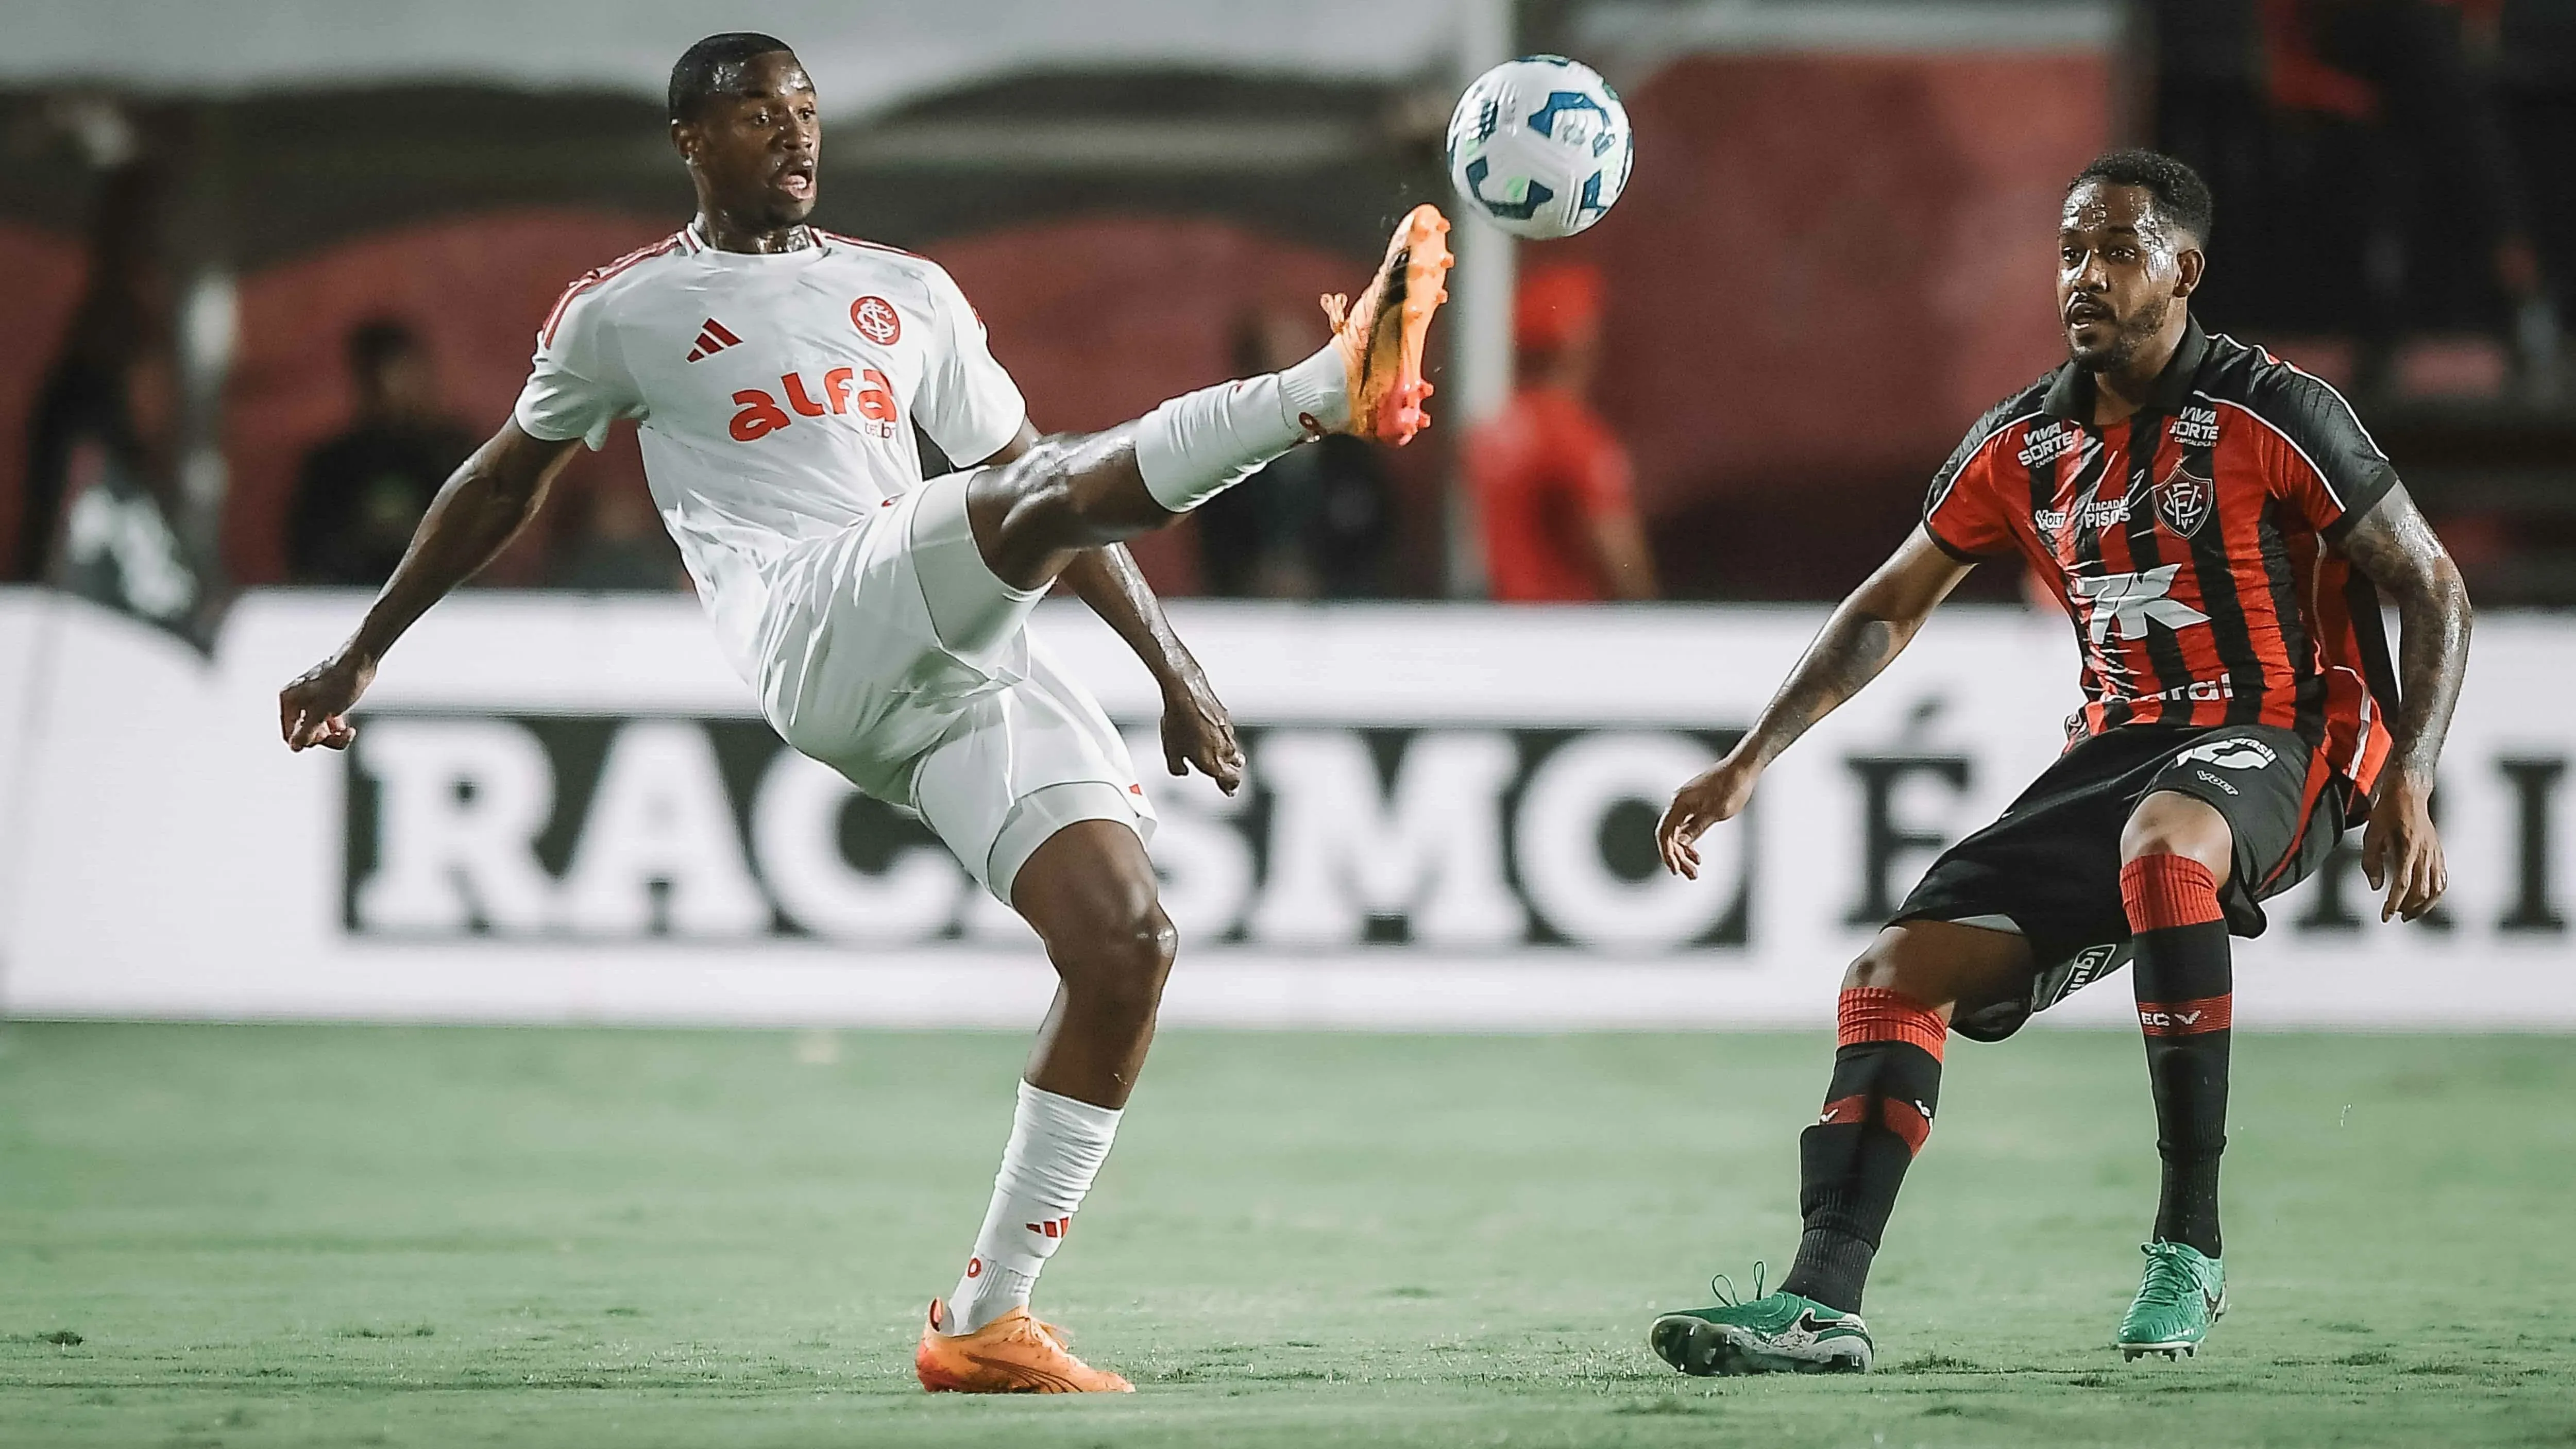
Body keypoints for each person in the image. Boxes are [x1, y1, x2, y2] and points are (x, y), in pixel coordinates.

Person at [275, 33, 1451, 1394]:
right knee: (1012, 507)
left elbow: (1050, 480)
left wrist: (1171, 669)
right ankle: (1324, 391)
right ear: (689, 142)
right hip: (811, 624)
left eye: (807, 110)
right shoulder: (625, 310)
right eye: (758, 114)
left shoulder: (911, 292)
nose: (794, 133)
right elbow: (500, 484)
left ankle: (984, 1319)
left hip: (958, 652)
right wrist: (363, 650)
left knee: (1128, 943)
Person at [1648, 149, 2470, 1373]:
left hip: (2280, 738)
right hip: (2120, 756)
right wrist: (1751, 756)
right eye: (2069, 251)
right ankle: (1824, 1301)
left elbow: (2431, 581)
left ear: (2183, 270)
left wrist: (2408, 768)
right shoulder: (2022, 442)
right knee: (1891, 972)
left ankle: (2186, 1242)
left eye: (2117, 251)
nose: (2083, 276)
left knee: (2165, 843)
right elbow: (1889, 602)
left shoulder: (2272, 411)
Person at [1465, 262, 1655, 601]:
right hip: (1569, 630)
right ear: (1574, 344)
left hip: (1501, 625)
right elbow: (1615, 552)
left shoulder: (1490, 432)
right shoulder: (1577, 439)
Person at [285, 319, 477, 585]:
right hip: (349, 600)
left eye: (408, 375)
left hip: (446, 603)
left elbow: (478, 542)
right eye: (389, 376)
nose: (400, 390)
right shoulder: (334, 464)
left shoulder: (456, 456)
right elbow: (309, 551)